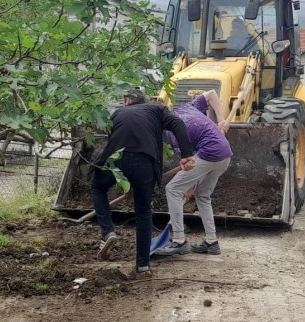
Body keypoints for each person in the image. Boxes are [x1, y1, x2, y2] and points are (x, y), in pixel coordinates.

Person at [92, 89, 196, 277]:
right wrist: (187, 154)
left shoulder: (117, 113)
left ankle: (107, 232)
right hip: (145, 162)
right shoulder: (157, 109)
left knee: (98, 188)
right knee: (143, 211)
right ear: (144, 101)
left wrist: (126, 182)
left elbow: (112, 142)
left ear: (126, 101)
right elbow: (178, 123)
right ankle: (143, 265)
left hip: (117, 159)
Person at [153, 90, 232, 258]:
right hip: (225, 153)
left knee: (173, 189)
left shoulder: (174, 133)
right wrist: (221, 119)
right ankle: (211, 242)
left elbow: (190, 163)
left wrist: (188, 186)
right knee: (203, 195)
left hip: (209, 153)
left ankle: (179, 241)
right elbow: (211, 94)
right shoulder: (189, 107)